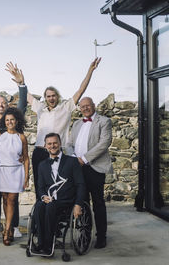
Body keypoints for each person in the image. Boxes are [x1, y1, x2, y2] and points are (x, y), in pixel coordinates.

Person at [6, 58, 101, 199]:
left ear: (57, 96)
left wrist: (90, 71)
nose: (51, 98)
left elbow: (81, 90)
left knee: (62, 186)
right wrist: (21, 82)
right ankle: (41, 213)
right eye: (48, 96)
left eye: (53, 95)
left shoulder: (66, 107)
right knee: (41, 186)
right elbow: (25, 94)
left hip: (59, 152)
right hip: (40, 152)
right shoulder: (40, 108)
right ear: (45, 98)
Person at [66, 97, 113, 249]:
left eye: (88, 105)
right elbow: (69, 144)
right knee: (82, 202)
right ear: (79, 108)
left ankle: (101, 237)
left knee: (98, 203)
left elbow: (104, 144)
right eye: (82, 106)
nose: (85, 108)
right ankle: (84, 235)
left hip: (94, 167)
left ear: (93, 105)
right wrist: (74, 158)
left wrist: (84, 158)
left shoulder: (104, 121)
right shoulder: (77, 123)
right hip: (78, 169)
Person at [0, 70, 28, 239]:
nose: (1, 105)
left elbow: (22, 105)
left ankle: (11, 227)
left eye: (3, 102)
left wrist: (21, 86)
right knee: (0, 199)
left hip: (14, 169)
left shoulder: (17, 131)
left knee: (12, 199)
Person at [33, 133, 85, 254]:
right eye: (49, 144)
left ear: (60, 144)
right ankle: (41, 243)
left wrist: (78, 204)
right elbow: (40, 187)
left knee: (50, 206)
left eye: (55, 143)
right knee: (39, 205)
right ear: (45, 146)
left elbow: (81, 185)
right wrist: (43, 196)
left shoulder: (72, 162)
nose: (52, 146)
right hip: (49, 201)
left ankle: (48, 245)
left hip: (66, 202)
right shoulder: (42, 165)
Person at [0, 107, 29, 246]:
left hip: (16, 172)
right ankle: (8, 226)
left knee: (12, 199)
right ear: (5, 121)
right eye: (7, 120)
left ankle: (7, 229)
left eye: (12, 120)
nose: (9, 122)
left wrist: (26, 177)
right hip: (2, 170)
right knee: (4, 199)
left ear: (17, 121)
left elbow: (26, 158)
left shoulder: (21, 137)